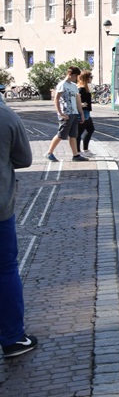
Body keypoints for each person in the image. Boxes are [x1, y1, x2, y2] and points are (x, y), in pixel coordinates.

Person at [0, 94, 35, 358]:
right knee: (5, 269)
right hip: (0, 209)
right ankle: (13, 338)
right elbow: (24, 159)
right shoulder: (6, 116)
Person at [46, 66, 86, 163]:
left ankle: (75, 155)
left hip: (74, 113)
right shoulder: (62, 85)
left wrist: (81, 113)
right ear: (70, 74)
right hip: (66, 114)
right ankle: (49, 152)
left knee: (73, 135)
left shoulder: (73, 85)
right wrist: (60, 113)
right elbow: (56, 99)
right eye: (75, 76)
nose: (76, 78)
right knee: (61, 134)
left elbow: (77, 100)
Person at [77, 70, 95, 155]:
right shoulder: (81, 89)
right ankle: (78, 151)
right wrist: (81, 104)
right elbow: (75, 100)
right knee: (79, 132)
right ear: (86, 78)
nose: (92, 78)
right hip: (83, 112)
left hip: (86, 112)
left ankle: (85, 149)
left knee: (90, 129)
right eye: (91, 77)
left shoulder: (85, 88)